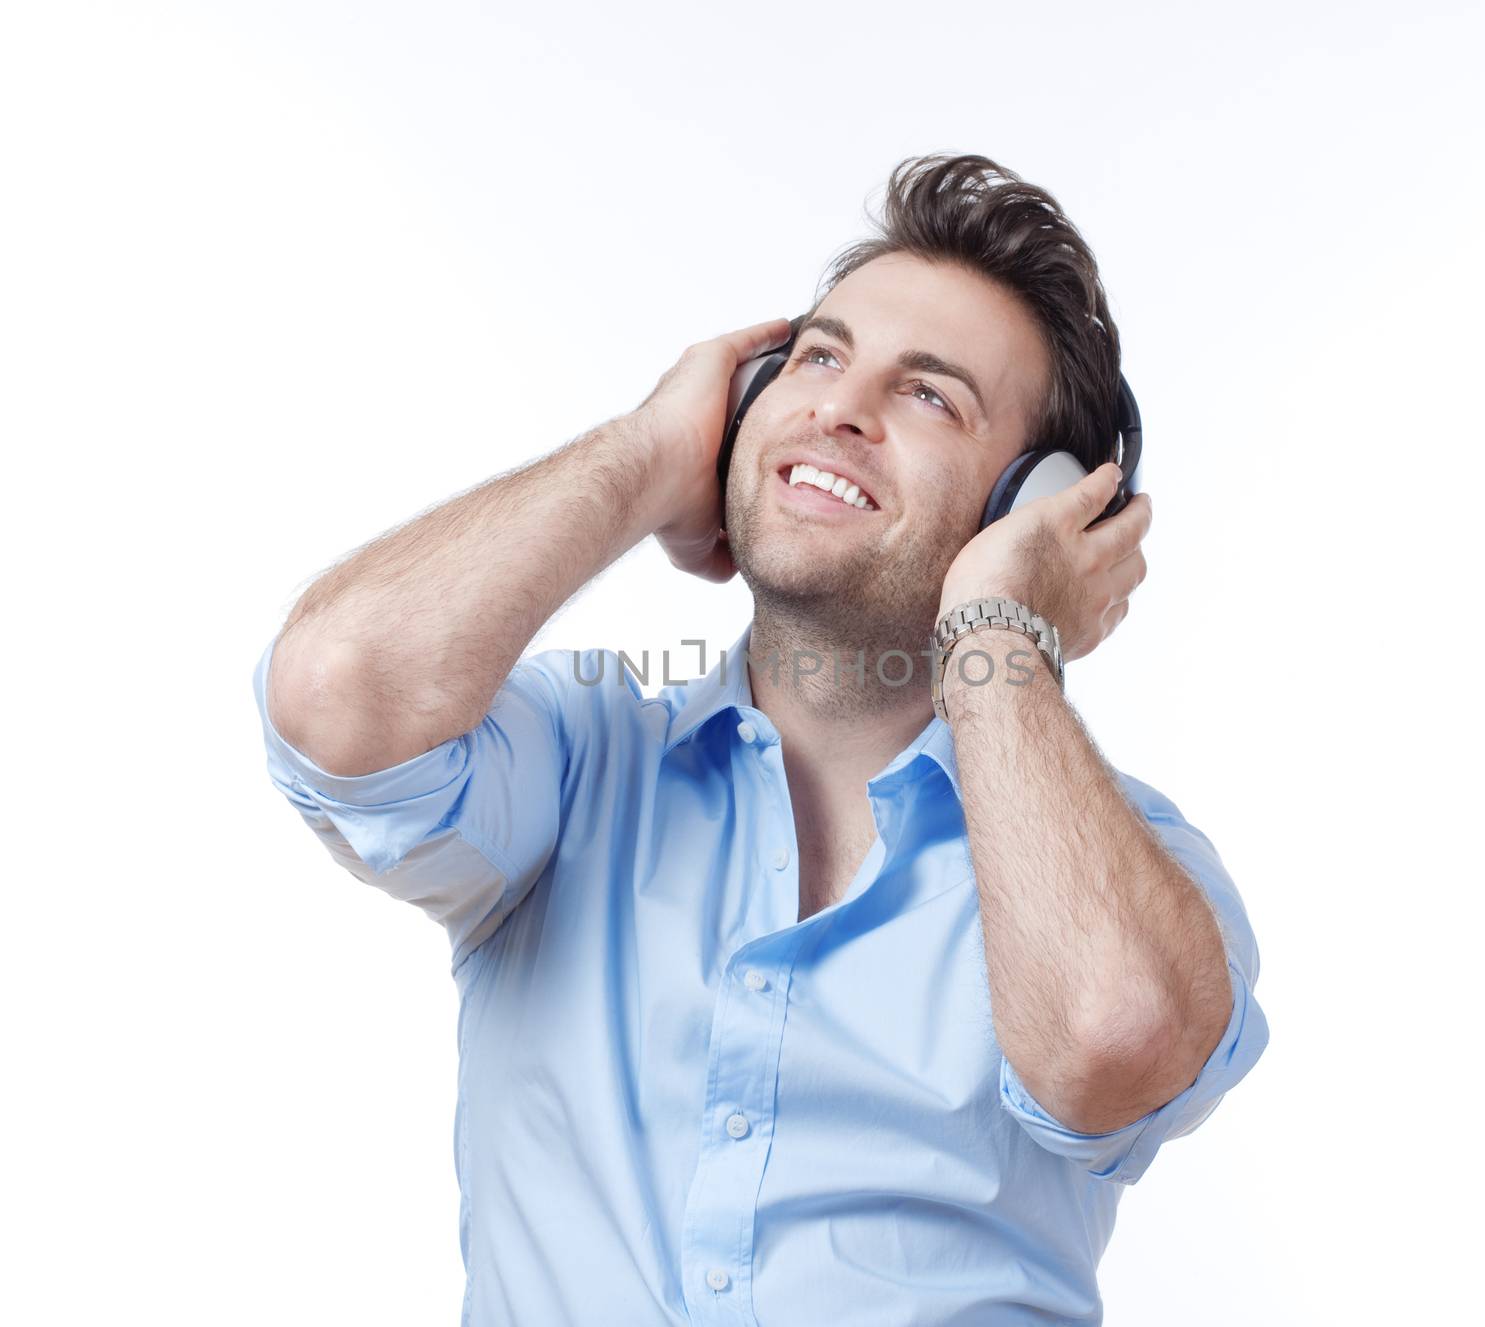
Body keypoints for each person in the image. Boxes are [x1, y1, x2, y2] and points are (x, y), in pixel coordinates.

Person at [252, 152, 1268, 1325]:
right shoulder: (580, 765)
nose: (837, 406)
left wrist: (996, 628)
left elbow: (1111, 1042)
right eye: (820, 358)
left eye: (928, 393)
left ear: (1031, 505)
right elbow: (337, 687)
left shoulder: (1129, 862)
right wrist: (644, 456)